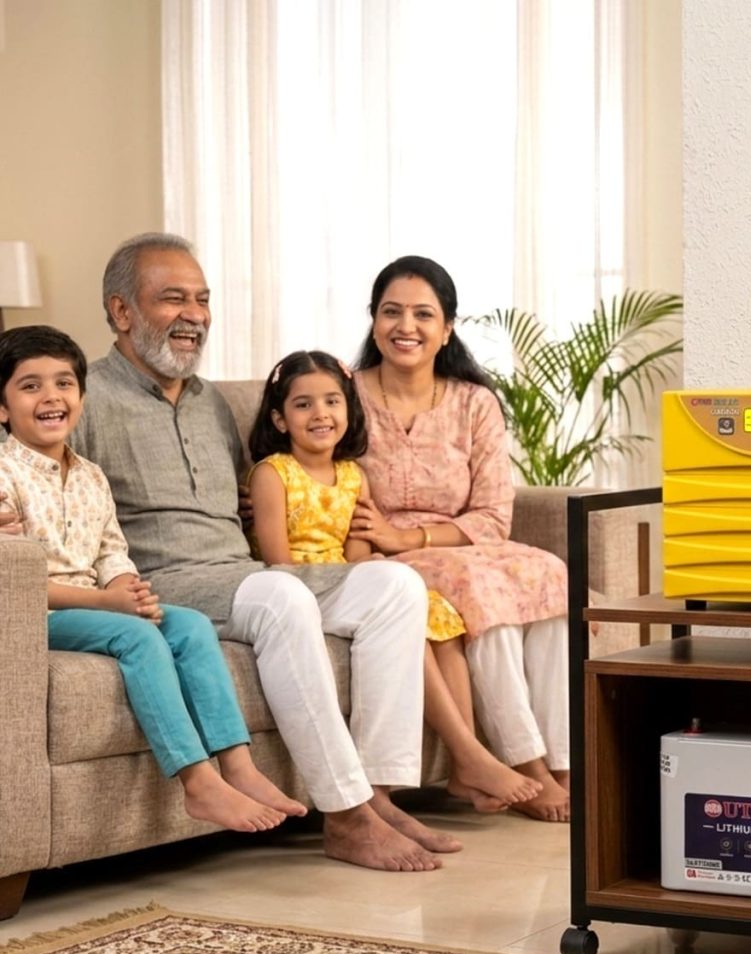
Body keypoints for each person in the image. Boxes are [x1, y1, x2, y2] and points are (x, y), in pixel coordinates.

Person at [70, 232, 460, 871]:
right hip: (165, 581)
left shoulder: (210, 402)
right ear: (121, 311)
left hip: (243, 573)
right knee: (281, 595)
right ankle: (345, 816)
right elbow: (34, 469)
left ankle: (378, 794)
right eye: (173, 299)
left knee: (395, 587)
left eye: (202, 300)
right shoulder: (85, 395)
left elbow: (251, 491)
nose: (194, 315)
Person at [0, 324, 307, 833]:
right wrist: (108, 604)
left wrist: (127, 588)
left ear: (81, 397)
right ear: (3, 407)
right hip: (42, 614)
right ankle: (197, 782)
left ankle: (239, 767)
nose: (51, 396)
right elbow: (14, 583)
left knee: (190, 625)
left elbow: (112, 550)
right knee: (138, 636)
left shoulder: (91, 475)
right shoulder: (4, 474)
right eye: (30, 386)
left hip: (98, 605)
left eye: (64, 383)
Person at [246, 349, 542, 813]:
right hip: (298, 589)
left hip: (346, 585)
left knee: (438, 617)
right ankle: (470, 755)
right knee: (401, 613)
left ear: (348, 409)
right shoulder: (272, 474)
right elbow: (277, 563)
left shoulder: (353, 476)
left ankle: (464, 764)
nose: (320, 414)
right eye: (303, 405)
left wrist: (373, 576)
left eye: (331, 401)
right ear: (280, 419)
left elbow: (359, 557)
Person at [350, 256, 571, 822]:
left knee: (550, 573)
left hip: (459, 543)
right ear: (374, 320)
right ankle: (525, 763)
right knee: (479, 587)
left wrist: (413, 535)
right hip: (383, 558)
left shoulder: (475, 402)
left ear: (447, 328)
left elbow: (494, 516)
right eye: (392, 312)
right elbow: (302, 462)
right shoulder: (345, 397)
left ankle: (564, 763)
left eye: (423, 314)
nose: (406, 326)